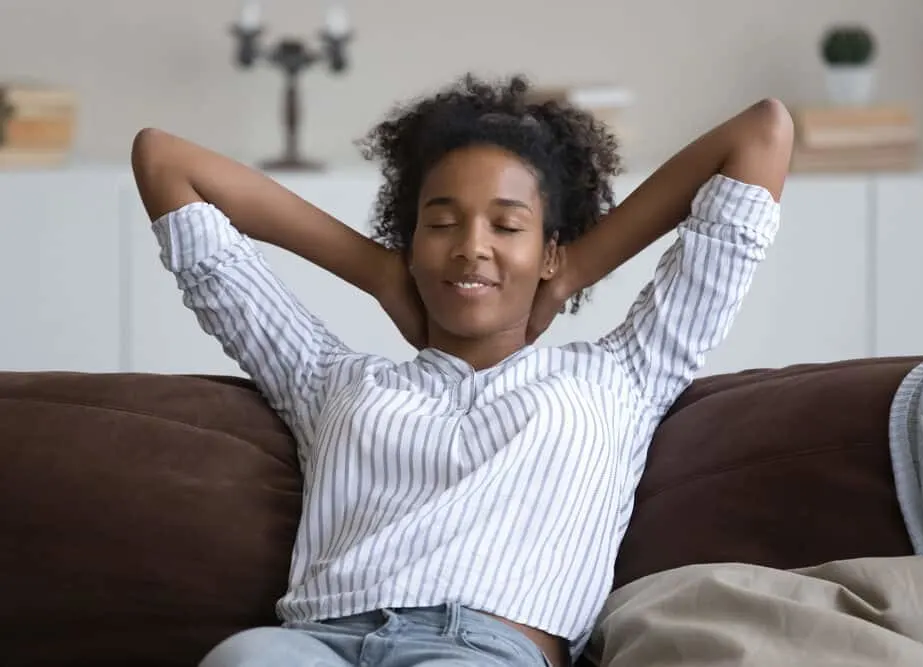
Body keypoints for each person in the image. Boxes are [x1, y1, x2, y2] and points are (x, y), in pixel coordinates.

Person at [131, 74, 793, 667]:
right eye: (441, 222)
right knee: (245, 658)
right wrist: (375, 271)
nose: (472, 246)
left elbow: (762, 134)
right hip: (315, 642)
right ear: (412, 243)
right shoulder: (326, 378)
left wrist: (577, 272)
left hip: (480, 650)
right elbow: (164, 162)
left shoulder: (624, 375)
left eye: (507, 226)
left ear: (547, 249)